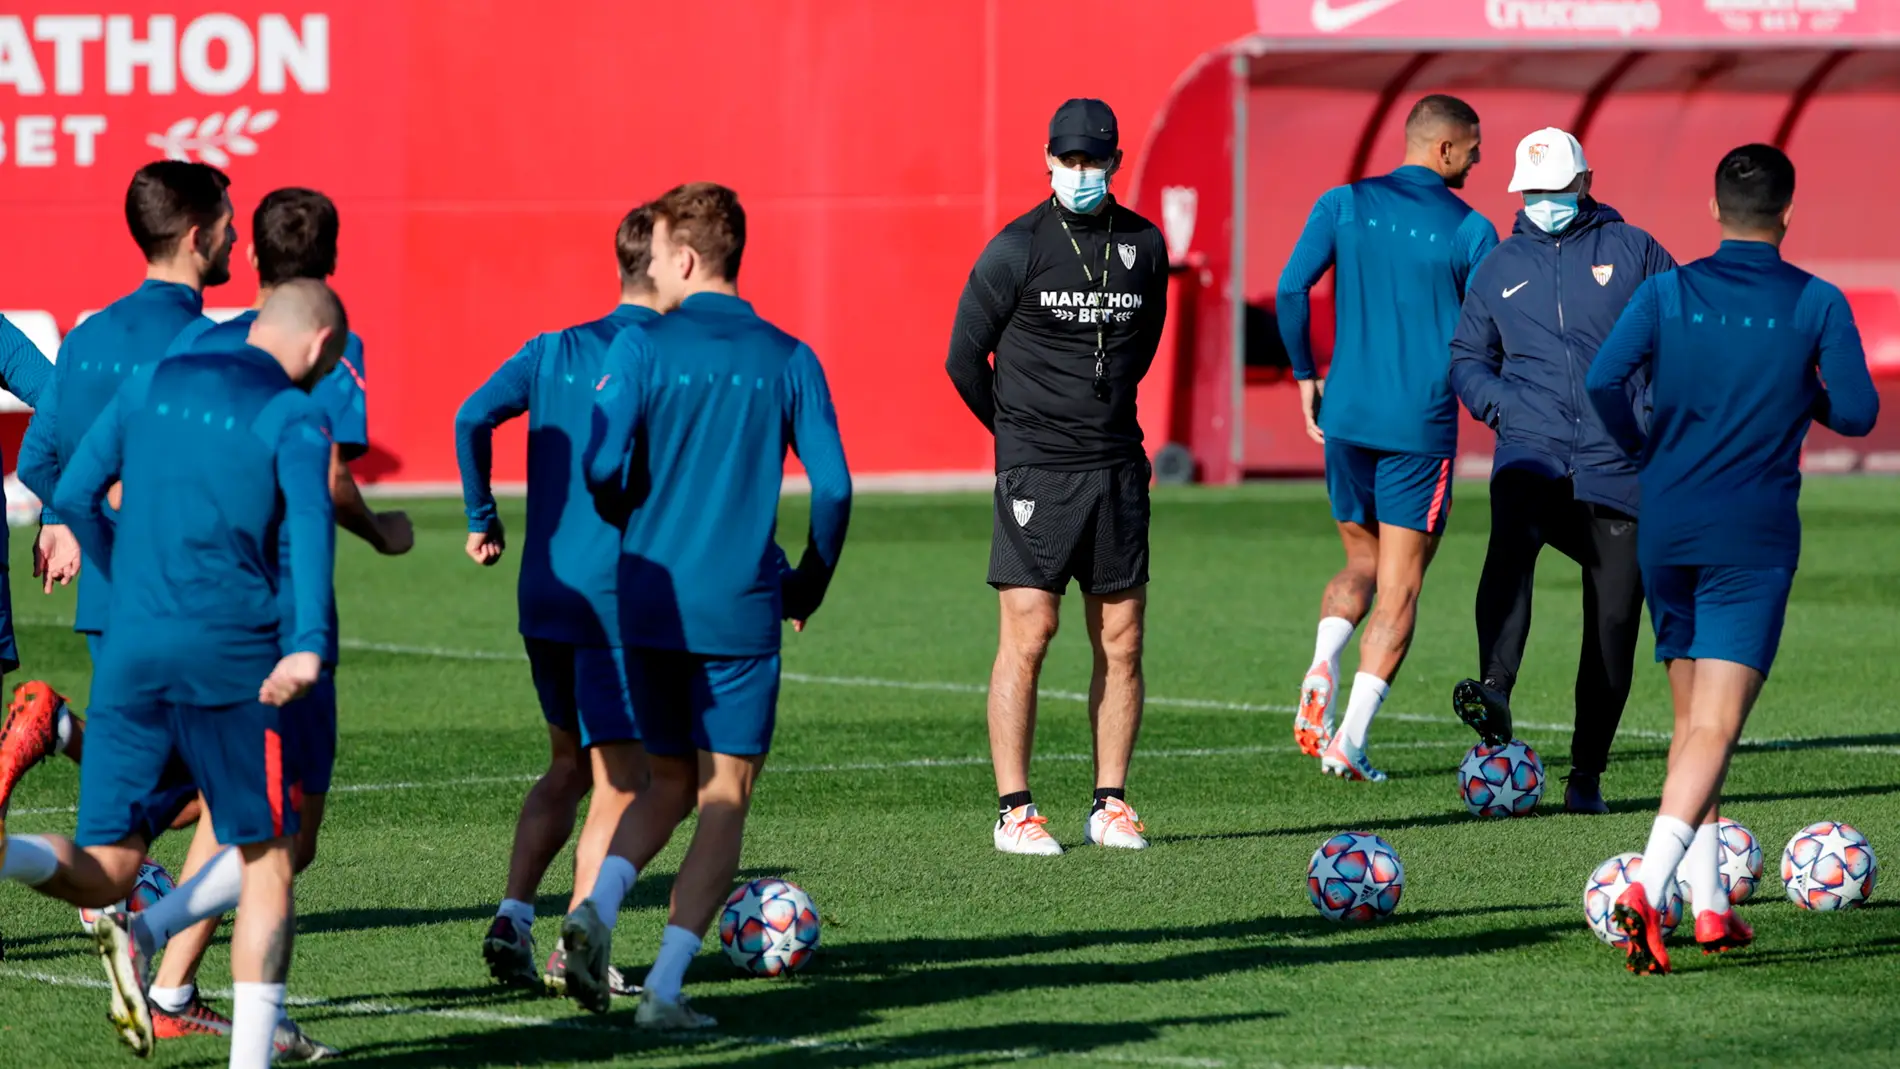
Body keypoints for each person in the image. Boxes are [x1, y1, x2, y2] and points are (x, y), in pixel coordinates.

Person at [81, 187, 397, 1058]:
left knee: (243, 815)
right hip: (277, 623)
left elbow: (115, 468)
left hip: (186, 614)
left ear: (250, 256)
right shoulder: (330, 340)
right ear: (333, 259)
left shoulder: (202, 338)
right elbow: (324, 471)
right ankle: (222, 994)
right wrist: (381, 531)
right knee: (286, 836)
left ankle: (169, 967)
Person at [1, 279, 345, 1069]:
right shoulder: (289, 413)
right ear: (321, 347)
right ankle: (237, 1044)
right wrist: (306, 644)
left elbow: (69, 483)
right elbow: (312, 531)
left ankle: (31, 861)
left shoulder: (146, 382)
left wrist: (124, 564)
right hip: (227, 650)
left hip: (132, 641)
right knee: (269, 854)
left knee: (112, 868)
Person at [558, 182, 851, 1026]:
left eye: (654, 254)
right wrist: (808, 583)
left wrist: (633, 518)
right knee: (724, 792)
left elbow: (601, 465)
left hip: (646, 599)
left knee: (666, 779)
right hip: (736, 607)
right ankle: (663, 990)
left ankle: (595, 909)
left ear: (686, 259)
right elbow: (831, 487)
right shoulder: (789, 355)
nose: (650, 268)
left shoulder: (642, 349)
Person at [1585, 144, 1877, 974]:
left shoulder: (1666, 290)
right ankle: (1649, 885)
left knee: (1691, 728)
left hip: (1667, 525)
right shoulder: (1816, 302)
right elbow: (1857, 412)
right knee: (1716, 727)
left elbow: (1606, 381)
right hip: (1751, 535)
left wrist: (1644, 446)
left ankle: (1711, 908)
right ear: (1789, 214)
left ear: (1714, 212)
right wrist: (1802, 389)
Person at [943, 97, 1170, 855]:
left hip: (1115, 469)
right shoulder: (1015, 248)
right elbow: (961, 359)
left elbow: (1141, 345)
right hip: (1037, 471)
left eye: (1093, 161)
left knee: (1123, 639)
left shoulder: (1144, 243)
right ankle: (1015, 810)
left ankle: (1110, 802)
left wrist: (1106, 426)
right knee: (1031, 631)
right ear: (1047, 160)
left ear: (1114, 163)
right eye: (1068, 160)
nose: (1081, 173)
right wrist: (1017, 438)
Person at [456, 204, 660, 997]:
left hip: (543, 591)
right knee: (623, 778)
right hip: (614, 600)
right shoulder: (658, 355)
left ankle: (513, 913)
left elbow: (472, 413)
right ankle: (579, 940)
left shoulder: (551, 349)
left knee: (567, 767)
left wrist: (482, 516)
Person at [1447, 128, 1676, 813]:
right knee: (1509, 550)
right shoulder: (1498, 265)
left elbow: (1685, 331)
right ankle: (1494, 688)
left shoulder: (1634, 250)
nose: (1544, 202)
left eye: (1556, 189)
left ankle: (1587, 776)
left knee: (1613, 621)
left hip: (1620, 465)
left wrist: (1654, 410)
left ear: (1584, 182)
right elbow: (1466, 358)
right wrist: (1503, 406)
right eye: (1532, 192)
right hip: (1532, 454)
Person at [0, 160, 237, 813]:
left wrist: (79, 521)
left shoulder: (85, 340)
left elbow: (40, 456)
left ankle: (111, 882)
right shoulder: (209, 348)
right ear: (197, 236)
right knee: (236, 787)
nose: (235, 238)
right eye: (228, 223)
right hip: (190, 595)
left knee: (144, 776)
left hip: (111, 595)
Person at [1276, 94, 1499, 782]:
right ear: (1443, 150)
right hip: (1418, 425)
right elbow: (1494, 331)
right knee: (1401, 590)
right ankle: (1352, 738)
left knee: (1361, 566)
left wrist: (1306, 376)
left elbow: (1290, 291)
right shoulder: (1471, 230)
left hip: (1346, 414)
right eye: (1473, 148)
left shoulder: (1341, 203)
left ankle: (1324, 658)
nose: (1479, 158)